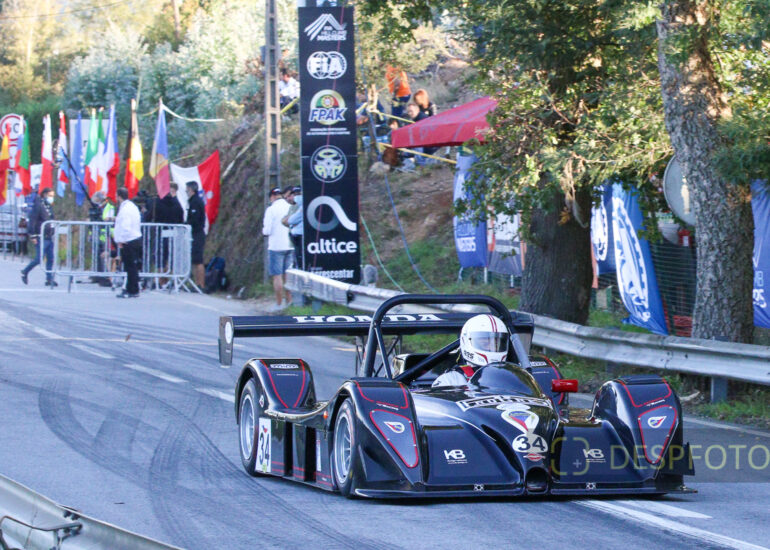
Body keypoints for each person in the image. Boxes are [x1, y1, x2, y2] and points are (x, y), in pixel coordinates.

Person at [432, 314, 510, 387]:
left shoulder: (509, 377)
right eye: (485, 343)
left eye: (497, 344)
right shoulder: (450, 381)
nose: (492, 347)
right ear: (465, 341)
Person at [263, 186, 294, 311]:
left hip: (276, 246)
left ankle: (279, 303)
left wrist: (264, 231)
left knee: (277, 276)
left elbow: (267, 230)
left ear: (272, 197)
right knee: (288, 275)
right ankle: (290, 301)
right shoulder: (290, 207)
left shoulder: (271, 210)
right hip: (290, 245)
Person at [21, 187, 56, 286]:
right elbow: (32, 221)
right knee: (39, 259)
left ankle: (49, 279)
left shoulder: (49, 206)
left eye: (52, 196)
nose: (51, 198)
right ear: (44, 195)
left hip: (49, 236)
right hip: (41, 236)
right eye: (50, 196)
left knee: (50, 258)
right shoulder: (38, 205)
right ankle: (25, 271)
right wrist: (33, 235)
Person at [114, 187, 142, 298]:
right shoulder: (132, 207)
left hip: (129, 240)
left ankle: (132, 290)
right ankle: (133, 288)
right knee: (132, 266)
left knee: (130, 267)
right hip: (134, 238)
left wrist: (121, 240)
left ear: (119, 196)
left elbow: (125, 226)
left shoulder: (125, 209)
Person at [186, 181, 207, 288]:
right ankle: (197, 283)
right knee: (194, 260)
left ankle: (201, 284)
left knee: (198, 260)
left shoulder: (196, 202)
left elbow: (195, 219)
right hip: (194, 234)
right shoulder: (192, 201)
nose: (186, 191)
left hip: (197, 233)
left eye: (187, 189)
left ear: (191, 189)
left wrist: (186, 224)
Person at [92, 191, 115, 286]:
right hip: (101, 236)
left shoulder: (110, 207)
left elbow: (108, 219)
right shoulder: (99, 208)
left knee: (106, 256)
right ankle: (100, 275)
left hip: (109, 235)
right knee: (100, 256)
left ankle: (107, 277)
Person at [284, 186, 303, 269]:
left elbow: (291, 220)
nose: (296, 197)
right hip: (295, 239)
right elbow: (286, 221)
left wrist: (291, 222)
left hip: (301, 238)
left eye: (298, 194)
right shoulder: (294, 206)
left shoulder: (303, 205)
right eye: (295, 194)